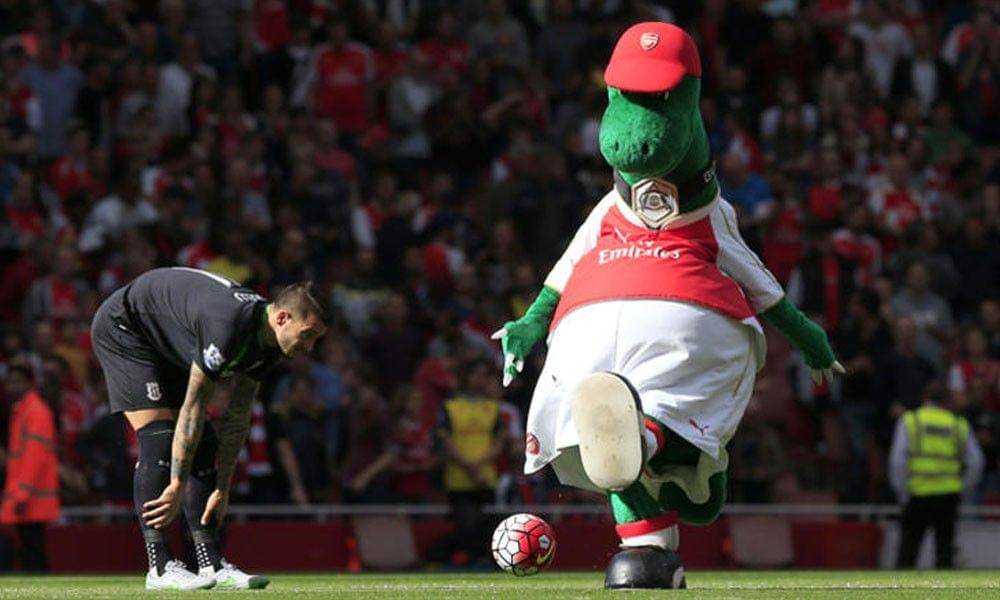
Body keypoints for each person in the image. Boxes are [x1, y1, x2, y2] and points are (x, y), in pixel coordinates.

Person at [90, 267, 327, 590]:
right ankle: (159, 567)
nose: (309, 347)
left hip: (164, 336)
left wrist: (223, 488)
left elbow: (238, 417)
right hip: (125, 328)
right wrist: (176, 483)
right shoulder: (228, 325)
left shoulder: (268, 344)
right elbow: (193, 407)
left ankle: (210, 564)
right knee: (159, 438)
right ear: (283, 318)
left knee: (205, 445)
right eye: (308, 335)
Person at [889, 382, 985, 569]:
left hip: (917, 493)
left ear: (924, 398)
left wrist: (902, 492)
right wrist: (962, 488)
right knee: (945, 552)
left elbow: (897, 461)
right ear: (947, 400)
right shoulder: (957, 423)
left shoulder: (911, 420)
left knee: (908, 552)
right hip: (948, 495)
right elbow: (976, 462)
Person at [0, 363, 59, 571]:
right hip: (29, 493)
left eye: (17, 382)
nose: (11, 387)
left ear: (30, 383)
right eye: (9, 382)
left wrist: (22, 494)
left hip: (31, 496)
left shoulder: (34, 412)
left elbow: (34, 456)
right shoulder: (24, 411)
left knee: (33, 550)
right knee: (31, 548)